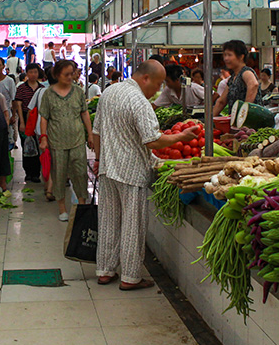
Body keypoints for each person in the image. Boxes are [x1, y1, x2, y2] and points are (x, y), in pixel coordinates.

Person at [92, 60, 199, 290]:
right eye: (159, 84)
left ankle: (104, 270)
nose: (159, 90)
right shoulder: (140, 102)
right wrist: (182, 137)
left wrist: (99, 159)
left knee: (109, 221)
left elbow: (96, 132)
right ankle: (130, 277)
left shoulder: (109, 92)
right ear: (146, 79)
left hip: (107, 169)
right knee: (133, 224)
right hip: (131, 172)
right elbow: (153, 140)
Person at [39, 60, 93, 221]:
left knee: (80, 173)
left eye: (72, 74)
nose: (70, 77)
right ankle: (62, 208)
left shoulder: (77, 92)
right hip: (57, 142)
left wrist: (89, 134)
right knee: (59, 174)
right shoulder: (49, 94)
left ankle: (81, 206)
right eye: (66, 74)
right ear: (57, 75)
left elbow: (84, 113)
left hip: (77, 139)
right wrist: (43, 138)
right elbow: (44, 118)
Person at [27, 67, 57, 201]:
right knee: (56, 160)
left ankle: (47, 185)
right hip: (57, 131)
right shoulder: (62, 92)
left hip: (40, 130)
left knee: (45, 159)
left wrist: (29, 128)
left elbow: (30, 110)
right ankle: (50, 188)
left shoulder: (40, 91)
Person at [213, 40, 262, 116]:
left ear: (241, 57)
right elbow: (221, 102)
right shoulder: (232, 78)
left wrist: (244, 113)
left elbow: (253, 85)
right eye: (225, 55)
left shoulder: (246, 72)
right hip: (236, 124)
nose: (226, 58)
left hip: (249, 124)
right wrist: (208, 122)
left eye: (229, 55)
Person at [15, 63, 44, 182]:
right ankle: (28, 172)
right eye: (30, 72)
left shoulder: (42, 88)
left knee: (38, 146)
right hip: (26, 119)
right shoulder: (21, 88)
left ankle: (36, 173)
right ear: (26, 73)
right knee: (26, 146)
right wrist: (22, 122)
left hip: (38, 120)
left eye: (35, 72)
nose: (33, 74)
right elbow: (18, 105)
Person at [0, 57, 17, 148]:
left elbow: (14, 99)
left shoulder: (9, 81)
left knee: (7, 140)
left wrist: (13, 116)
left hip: (7, 114)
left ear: (3, 66)